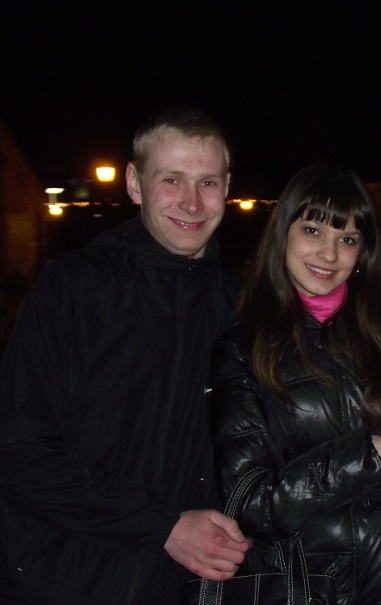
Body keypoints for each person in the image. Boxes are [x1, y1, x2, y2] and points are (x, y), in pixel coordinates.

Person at [0, 106, 250, 605]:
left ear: (226, 187)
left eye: (207, 183)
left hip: (178, 588)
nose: (192, 202)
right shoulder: (73, 288)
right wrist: (161, 526)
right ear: (135, 184)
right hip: (58, 581)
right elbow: (16, 449)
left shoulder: (239, 308)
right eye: (171, 180)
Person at [208, 162, 381, 605]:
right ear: (283, 233)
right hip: (311, 588)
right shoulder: (244, 347)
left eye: (348, 239)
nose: (329, 254)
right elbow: (248, 502)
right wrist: (369, 454)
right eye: (313, 231)